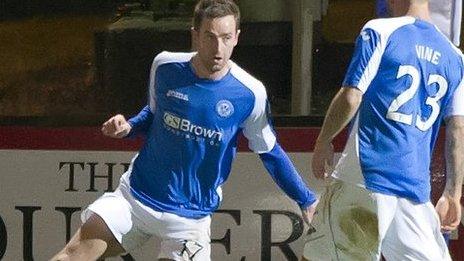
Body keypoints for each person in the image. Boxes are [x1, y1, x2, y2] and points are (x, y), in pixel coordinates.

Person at [51, 0, 318, 260]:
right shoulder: (165, 66)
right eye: (210, 37)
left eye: (226, 38)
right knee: (71, 256)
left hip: (190, 219)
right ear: (195, 36)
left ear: (237, 37)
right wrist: (128, 128)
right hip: (134, 198)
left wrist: (305, 199)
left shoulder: (250, 93)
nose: (218, 48)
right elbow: (153, 115)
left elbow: (270, 151)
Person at [302, 0, 464, 260]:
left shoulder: (380, 31)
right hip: (413, 193)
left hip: (364, 180)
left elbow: (351, 96)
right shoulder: (455, 57)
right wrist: (453, 193)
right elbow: (457, 130)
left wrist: (323, 140)